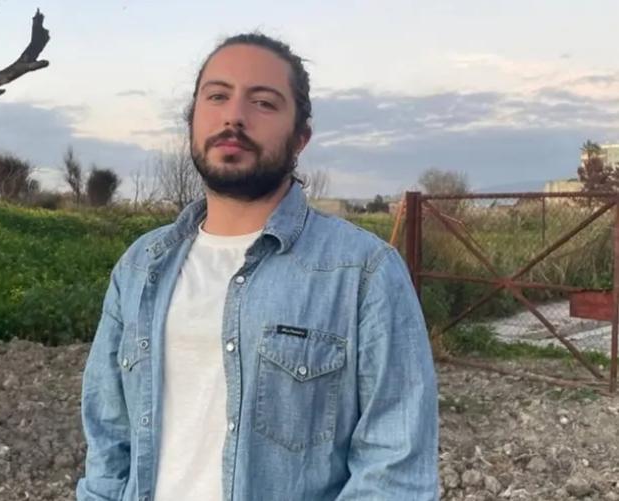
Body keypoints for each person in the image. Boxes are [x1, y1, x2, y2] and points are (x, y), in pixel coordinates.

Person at [77, 32, 438, 501]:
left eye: (264, 102)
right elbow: (108, 439)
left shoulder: (363, 273)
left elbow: (395, 473)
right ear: (192, 119)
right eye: (217, 96)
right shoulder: (140, 266)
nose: (234, 116)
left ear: (300, 137)